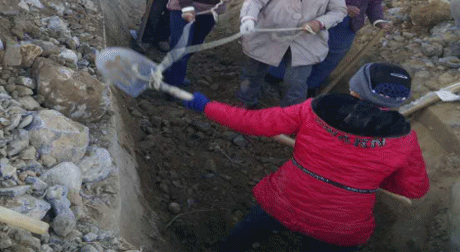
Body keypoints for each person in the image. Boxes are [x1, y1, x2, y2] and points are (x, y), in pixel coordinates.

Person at [182, 62, 430, 252]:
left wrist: (207, 106)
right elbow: (414, 188)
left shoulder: (315, 109)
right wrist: (372, 179)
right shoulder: (404, 138)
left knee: (237, 243)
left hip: (285, 200)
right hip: (340, 225)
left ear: (355, 88)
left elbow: (253, 122)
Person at [268, 0, 411, 96]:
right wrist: (342, 7)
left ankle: (311, 88)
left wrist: (379, 21)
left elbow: (375, 3)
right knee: (301, 51)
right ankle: (274, 78)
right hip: (323, 18)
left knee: (331, 57)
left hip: (348, 25)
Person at [237, 0, 347, 107]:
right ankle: (244, 104)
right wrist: (248, 18)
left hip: (306, 39)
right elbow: (256, 0)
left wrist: (320, 23)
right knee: (253, 73)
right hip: (268, 32)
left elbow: (339, 11)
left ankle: (290, 116)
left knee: (296, 83)